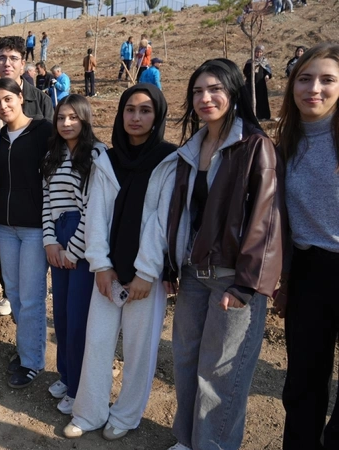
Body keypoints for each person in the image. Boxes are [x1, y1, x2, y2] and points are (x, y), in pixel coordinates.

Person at [166, 58, 285, 450]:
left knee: (220, 375)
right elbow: (182, 214)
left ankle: (212, 444)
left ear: (234, 92)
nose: (205, 98)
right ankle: (188, 439)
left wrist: (247, 284)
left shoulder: (255, 146)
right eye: (198, 91)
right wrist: (170, 264)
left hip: (233, 278)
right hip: (193, 272)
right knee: (186, 361)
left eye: (215, 89)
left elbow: (267, 219)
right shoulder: (193, 147)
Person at [65, 84, 178, 441]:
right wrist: (100, 265)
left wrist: (147, 271)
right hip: (108, 271)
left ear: (157, 116)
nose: (136, 117)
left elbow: (163, 220)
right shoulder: (107, 160)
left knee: (139, 349)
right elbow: (96, 214)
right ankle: (89, 411)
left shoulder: (169, 160)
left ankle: (126, 415)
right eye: (130, 109)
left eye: (145, 110)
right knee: (97, 341)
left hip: (146, 274)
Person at [275, 42, 339, 450]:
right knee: (303, 382)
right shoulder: (286, 143)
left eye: (327, 79)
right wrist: (283, 279)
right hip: (307, 271)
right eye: (305, 78)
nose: (314, 88)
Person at [42, 94, 107, 414]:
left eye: (73, 117)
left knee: (79, 316)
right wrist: (50, 241)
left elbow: (93, 208)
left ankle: (79, 388)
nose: (66, 123)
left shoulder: (95, 154)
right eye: (61, 118)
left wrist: (74, 250)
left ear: (84, 119)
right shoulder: (52, 155)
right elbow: (46, 200)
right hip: (58, 233)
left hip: (83, 237)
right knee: (63, 315)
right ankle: (66, 375)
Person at [0, 77, 54, 388]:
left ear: (20, 97)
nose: (3, 106)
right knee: (14, 293)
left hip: (34, 228)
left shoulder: (43, 130)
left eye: (8, 99)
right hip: (5, 227)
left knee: (31, 297)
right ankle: (27, 348)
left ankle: (32, 361)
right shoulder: (0, 137)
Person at [0, 36, 54, 121]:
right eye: (2, 58)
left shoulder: (42, 100)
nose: (7, 64)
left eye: (13, 58)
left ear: (22, 64)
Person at [244, 45, 273, 120]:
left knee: (261, 99)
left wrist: (267, 75)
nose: (258, 54)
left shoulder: (264, 62)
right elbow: (245, 71)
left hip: (261, 84)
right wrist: (252, 69)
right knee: (251, 99)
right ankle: (252, 115)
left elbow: (268, 71)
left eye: (260, 52)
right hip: (251, 84)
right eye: (257, 52)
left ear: (262, 53)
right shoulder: (250, 62)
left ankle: (263, 116)